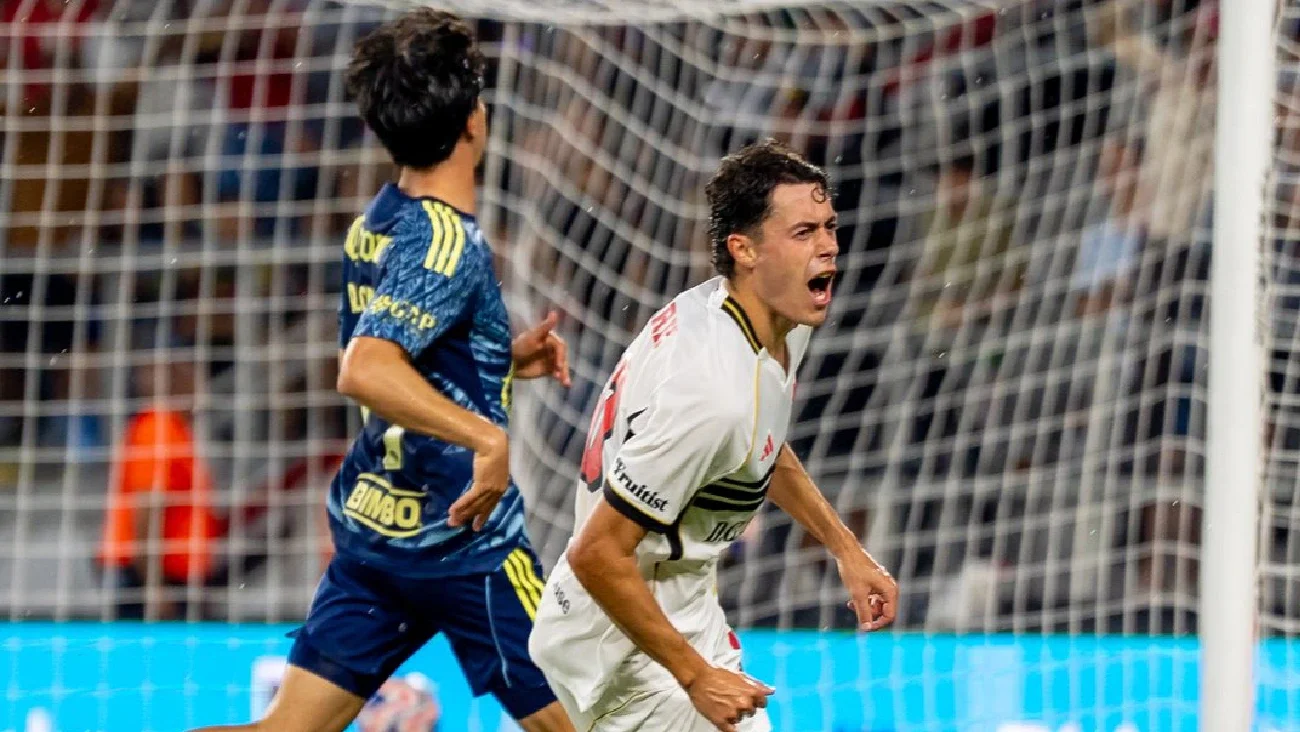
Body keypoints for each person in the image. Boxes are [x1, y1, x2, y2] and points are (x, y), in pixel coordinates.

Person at [191, 10, 573, 732]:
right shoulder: (445, 240)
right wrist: (487, 437)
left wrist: (498, 357)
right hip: (465, 541)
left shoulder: (380, 219)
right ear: (474, 121)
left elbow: (410, 350)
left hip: (380, 533)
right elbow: (366, 367)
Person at [529, 139, 900, 732]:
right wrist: (695, 675)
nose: (828, 245)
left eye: (829, 226)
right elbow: (596, 553)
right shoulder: (710, 393)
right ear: (744, 249)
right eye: (803, 232)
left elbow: (757, 444)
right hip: (621, 648)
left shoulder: (755, 317)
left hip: (683, 610)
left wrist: (845, 548)